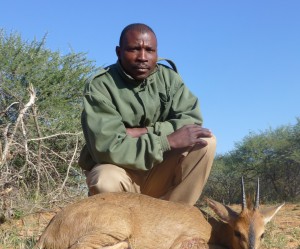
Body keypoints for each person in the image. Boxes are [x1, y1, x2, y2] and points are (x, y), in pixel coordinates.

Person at [78, 23, 216, 206]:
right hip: (121, 171)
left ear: (156, 53)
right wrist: (166, 140)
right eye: (134, 49)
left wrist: (142, 131)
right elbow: (109, 148)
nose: (143, 57)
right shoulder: (100, 86)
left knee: (206, 142)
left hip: (158, 171)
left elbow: (191, 121)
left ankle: (173, 220)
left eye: (149, 50)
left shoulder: (169, 78)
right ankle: (120, 227)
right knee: (104, 180)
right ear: (118, 52)